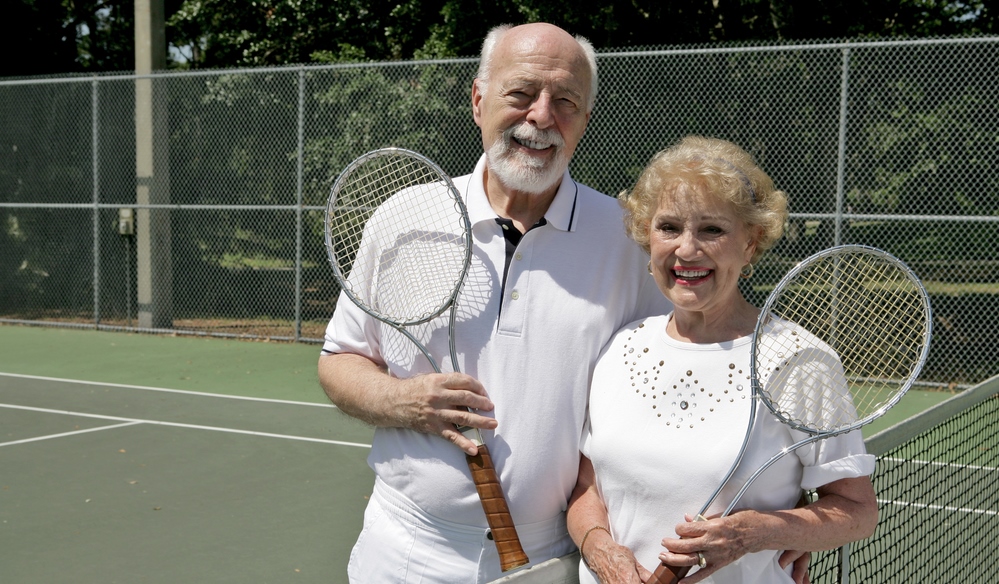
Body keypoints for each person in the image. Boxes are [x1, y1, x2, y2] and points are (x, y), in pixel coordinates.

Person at [318, 23, 670, 582]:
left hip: (549, 555)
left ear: (584, 120)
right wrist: (402, 401)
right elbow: (340, 359)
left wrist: (772, 519)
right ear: (479, 100)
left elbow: (666, 396)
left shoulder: (632, 242)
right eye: (521, 93)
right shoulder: (405, 217)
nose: (541, 116)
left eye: (566, 101)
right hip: (404, 550)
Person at [566, 136, 879, 584]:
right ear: (646, 236)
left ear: (751, 244)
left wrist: (755, 533)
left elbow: (857, 510)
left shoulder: (800, 361)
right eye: (669, 227)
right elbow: (586, 489)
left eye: (712, 230)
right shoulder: (619, 348)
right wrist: (601, 552)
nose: (687, 250)